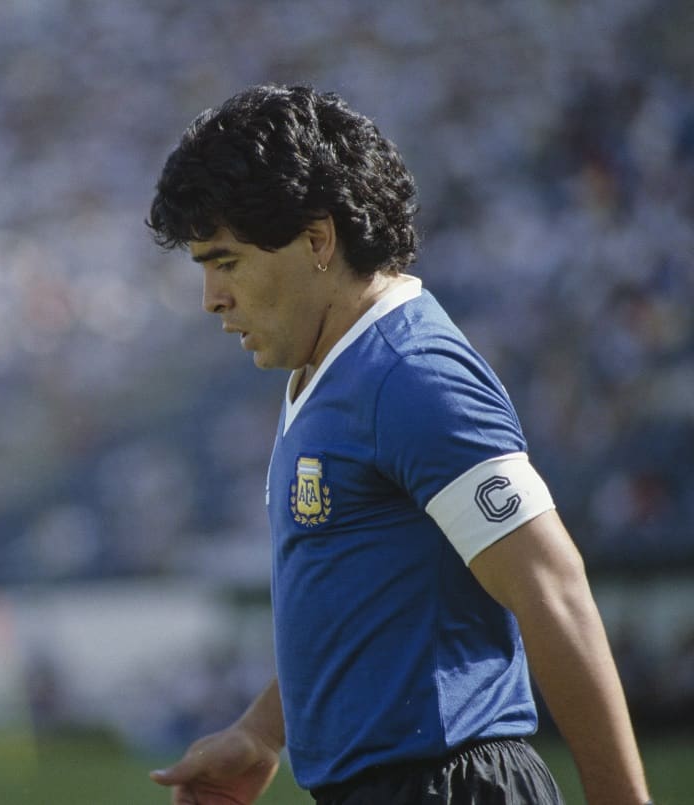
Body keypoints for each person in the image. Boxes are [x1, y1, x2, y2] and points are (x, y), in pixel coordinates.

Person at [145, 84, 651, 805]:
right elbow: (365, 609)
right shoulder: (330, 369)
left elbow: (552, 583)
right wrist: (262, 730)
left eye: (225, 261)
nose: (210, 298)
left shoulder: (410, 373)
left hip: (452, 784)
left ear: (318, 239)